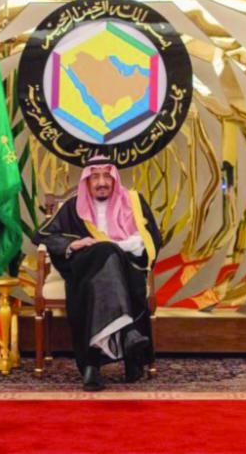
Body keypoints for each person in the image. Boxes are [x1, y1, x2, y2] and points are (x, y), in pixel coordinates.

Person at [33, 154, 162, 391]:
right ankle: (128, 332)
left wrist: (116, 247)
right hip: (85, 270)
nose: (102, 182)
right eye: (95, 177)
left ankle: (91, 365)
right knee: (104, 252)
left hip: (124, 269)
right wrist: (72, 244)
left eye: (106, 176)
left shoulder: (133, 203)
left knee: (105, 260)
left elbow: (151, 239)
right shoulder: (73, 207)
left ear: (114, 179)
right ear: (87, 181)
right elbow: (42, 235)